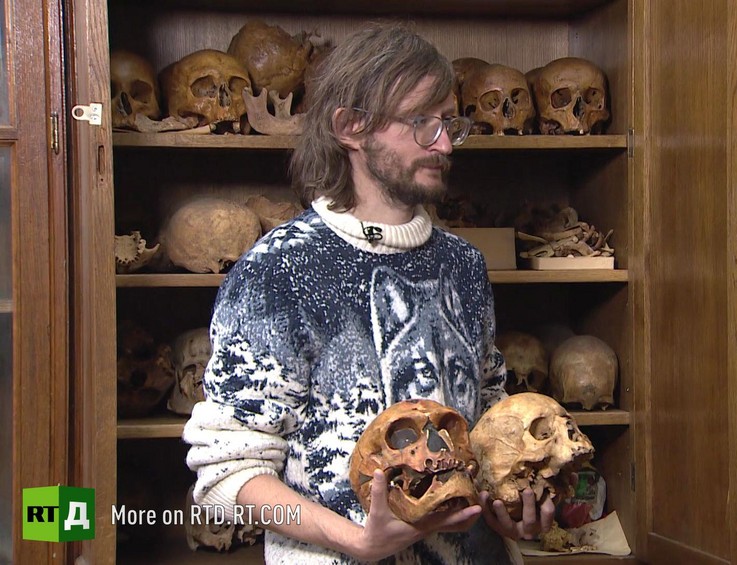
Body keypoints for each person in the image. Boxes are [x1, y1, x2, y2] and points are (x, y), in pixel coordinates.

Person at [183, 22, 554, 564]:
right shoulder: (279, 271)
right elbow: (226, 471)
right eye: (422, 122)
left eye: (449, 122)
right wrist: (355, 540)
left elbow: (490, 420)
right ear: (351, 127)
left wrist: (508, 505)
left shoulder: (464, 265)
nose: (445, 143)